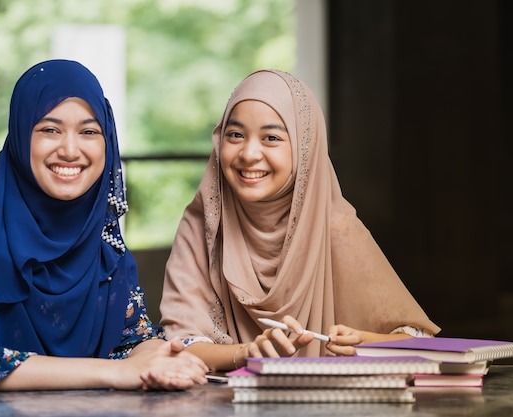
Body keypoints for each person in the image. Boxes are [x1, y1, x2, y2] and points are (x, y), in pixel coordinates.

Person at [0, 59, 208, 393]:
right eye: (49, 130)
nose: (70, 150)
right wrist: (113, 373)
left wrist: (162, 359)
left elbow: (134, 339)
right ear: (19, 135)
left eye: (89, 131)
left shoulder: (103, 245)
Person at [159, 69, 441, 371]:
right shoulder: (205, 225)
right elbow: (179, 343)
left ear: (305, 150)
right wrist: (247, 353)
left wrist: (364, 341)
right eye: (236, 135)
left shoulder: (334, 227)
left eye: (271, 138)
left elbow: (419, 340)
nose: (249, 153)